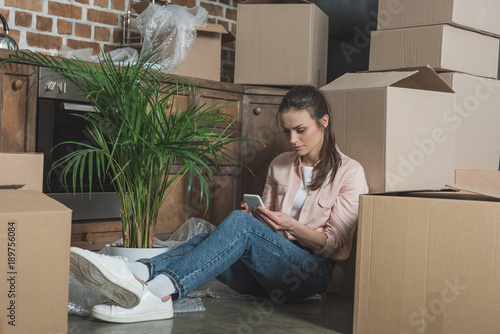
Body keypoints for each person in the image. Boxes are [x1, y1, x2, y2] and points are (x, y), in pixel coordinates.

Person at [69, 85, 369, 323]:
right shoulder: (279, 165)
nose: (292, 139)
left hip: (308, 276)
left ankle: (156, 292)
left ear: (323, 122)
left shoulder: (350, 172)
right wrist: (259, 219)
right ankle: (139, 274)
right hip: (264, 274)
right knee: (206, 238)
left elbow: (339, 249)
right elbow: (265, 230)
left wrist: (290, 225)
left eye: (300, 130)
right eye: (286, 131)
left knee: (239, 226)